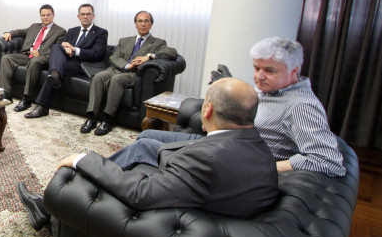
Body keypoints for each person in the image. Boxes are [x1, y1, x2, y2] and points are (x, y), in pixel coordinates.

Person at [17, 77, 280, 231]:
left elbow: (141, 193)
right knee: (144, 144)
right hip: (213, 193)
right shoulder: (261, 147)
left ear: (207, 111)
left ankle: (52, 211)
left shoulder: (205, 159)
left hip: (188, 224)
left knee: (97, 161)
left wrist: (83, 159)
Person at [139, 37, 345, 177]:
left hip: (232, 159)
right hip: (220, 142)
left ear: (294, 71)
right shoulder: (270, 89)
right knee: (145, 137)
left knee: (144, 147)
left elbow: (328, 161)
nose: (259, 76)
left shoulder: (301, 106)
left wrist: (266, 169)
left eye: (269, 71)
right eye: (256, 68)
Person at [83, 11, 178, 136]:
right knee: (98, 77)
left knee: (117, 80)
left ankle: (107, 120)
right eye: (140, 21)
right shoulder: (125, 40)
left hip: (134, 74)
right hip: (118, 69)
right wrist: (127, 65)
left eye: (146, 21)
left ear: (151, 24)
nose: (143, 24)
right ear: (135, 24)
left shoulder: (157, 42)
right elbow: (114, 57)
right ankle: (92, 117)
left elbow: (172, 53)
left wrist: (149, 56)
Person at [24, 4, 108, 119]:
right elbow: (61, 44)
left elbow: (97, 54)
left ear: (93, 16)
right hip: (68, 62)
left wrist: (75, 49)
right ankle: (55, 74)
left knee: (55, 69)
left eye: (88, 14)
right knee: (56, 47)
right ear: (78, 16)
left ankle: (43, 106)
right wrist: (65, 46)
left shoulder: (101, 32)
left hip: (83, 65)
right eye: (82, 14)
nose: (85, 17)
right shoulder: (73, 31)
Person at [0, 4, 67, 112]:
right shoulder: (35, 26)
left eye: (48, 15)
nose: (45, 17)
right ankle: (5, 93)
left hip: (44, 58)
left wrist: (40, 53)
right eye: (43, 15)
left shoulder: (60, 31)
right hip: (27, 55)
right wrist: (9, 33)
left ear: (53, 15)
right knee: (6, 58)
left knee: (34, 61)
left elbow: (57, 50)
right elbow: (20, 31)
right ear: (40, 16)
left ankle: (27, 98)